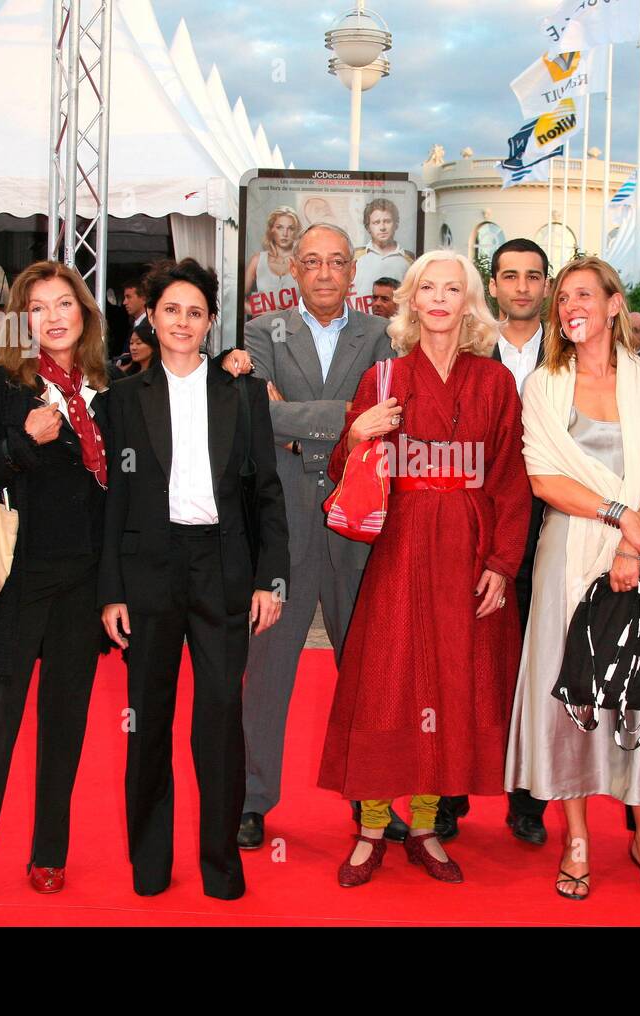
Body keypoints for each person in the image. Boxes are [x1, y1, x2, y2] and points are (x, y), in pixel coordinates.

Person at [320, 249, 531, 887]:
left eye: (453, 288)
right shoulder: (384, 376)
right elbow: (341, 473)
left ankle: (426, 826)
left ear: (469, 302)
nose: (439, 299)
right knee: (390, 678)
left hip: (469, 546)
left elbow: (510, 479)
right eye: (427, 288)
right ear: (412, 300)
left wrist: (502, 562)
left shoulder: (495, 383)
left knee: (453, 681)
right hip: (403, 544)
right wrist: (357, 433)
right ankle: (371, 828)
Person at [99, 258, 288, 901]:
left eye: (196, 312)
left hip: (222, 569)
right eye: (171, 310)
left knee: (219, 717)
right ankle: (149, 864)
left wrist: (272, 581)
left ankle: (221, 866)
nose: (183, 322)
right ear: (151, 317)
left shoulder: (242, 393)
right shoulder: (121, 399)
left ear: (212, 322)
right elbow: (114, 503)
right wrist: (111, 591)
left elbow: (267, 493)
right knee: (147, 720)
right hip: (148, 570)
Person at [506, 256, 640, 902]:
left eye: (584, 293)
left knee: (634, 693)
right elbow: (542, 478)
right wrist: (618, 516)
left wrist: (638, 537)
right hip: (567, 554)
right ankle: (576, 838)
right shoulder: (543, 385)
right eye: (562, 298)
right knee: (570, 696)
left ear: (613, 305)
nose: (568, 305)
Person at [0, 262, 111, 914]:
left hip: (81, 580)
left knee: (65, 726)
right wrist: (22, 439)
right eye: (38, 307)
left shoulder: (105, 387)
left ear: (84, 312)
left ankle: (49, 852)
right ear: (21, 319)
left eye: (64, 303)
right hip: (12, 578)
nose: (55, 316)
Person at [238, 223, 396, 849]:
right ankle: (253, 799)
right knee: (269, 664)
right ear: (294, 273)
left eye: (336, 262)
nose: (325, 273)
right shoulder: (261, 334)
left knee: (364, 666)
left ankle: (373, 801)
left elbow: (390, 416)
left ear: (353, 271)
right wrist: (348, 426)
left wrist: (302, 430)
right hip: (283, 522)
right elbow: (259, 412)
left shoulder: (382, 336)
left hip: (359, 521)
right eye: (312, 262)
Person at [436, 237, 553, 845]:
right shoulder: (464, 344)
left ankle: (528, 800)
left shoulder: (570, 351)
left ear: (546, 285)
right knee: (462, 662)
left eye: (534, 276)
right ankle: (450, 794)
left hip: (554, 529)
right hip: (474, 530)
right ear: (494, 285)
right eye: (511, 276)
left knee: (533, 667)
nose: (523, 287)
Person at [353, 198, 414, 303]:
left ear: (396, 224)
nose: (382, 227)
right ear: (368, 227)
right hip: (360, 318)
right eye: (376, 222)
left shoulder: (409, 261)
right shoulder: (355, 258)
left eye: (387, 221)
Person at [247, 207, 302, 318]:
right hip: (262, 330)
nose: (285, 233)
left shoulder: (302, 262)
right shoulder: (257, 260)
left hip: (294, 329)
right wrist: (262, 312)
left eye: (290, 228)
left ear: (295, 232)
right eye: (279, 227)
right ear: (271, 229)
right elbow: (237, 298)